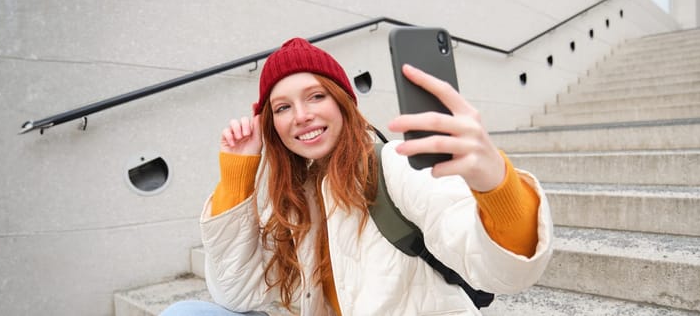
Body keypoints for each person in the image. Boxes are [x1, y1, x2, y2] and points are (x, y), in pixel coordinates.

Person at [161, 37, 552, 316]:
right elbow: (235, 294)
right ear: (270, 124)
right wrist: (238, 175)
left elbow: (502, 270)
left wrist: (493, 182)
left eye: (316, 96)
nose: (301, 115)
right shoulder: (293, 192)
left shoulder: (393, 165)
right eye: (282, 107)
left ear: (344, 102)